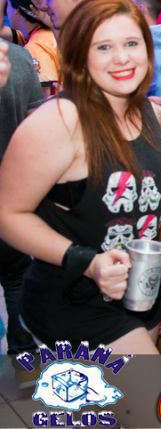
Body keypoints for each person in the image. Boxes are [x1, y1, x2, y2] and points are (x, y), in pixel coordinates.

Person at [0, 0, 161, 425]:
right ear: (80, 55)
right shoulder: (60, 121)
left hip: (139, 299)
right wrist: (88, 262)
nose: (122, 58)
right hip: (76, 302)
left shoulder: (144, 110)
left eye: (131, 44)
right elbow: (7, 213)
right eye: (104, 47)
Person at [0, 41, 41, 358]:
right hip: (11, 192)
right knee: (15, 276)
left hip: (12, 195)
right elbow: (35, 127)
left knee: (16, 275)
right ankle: (24, 355)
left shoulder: (16, 56)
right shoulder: (19, 55)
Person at [0, 0, 59, 82]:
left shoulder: (36, 48)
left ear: (17, 10)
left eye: (7, 5)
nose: (6, 11)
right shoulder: (42, 33)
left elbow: (45, 92)